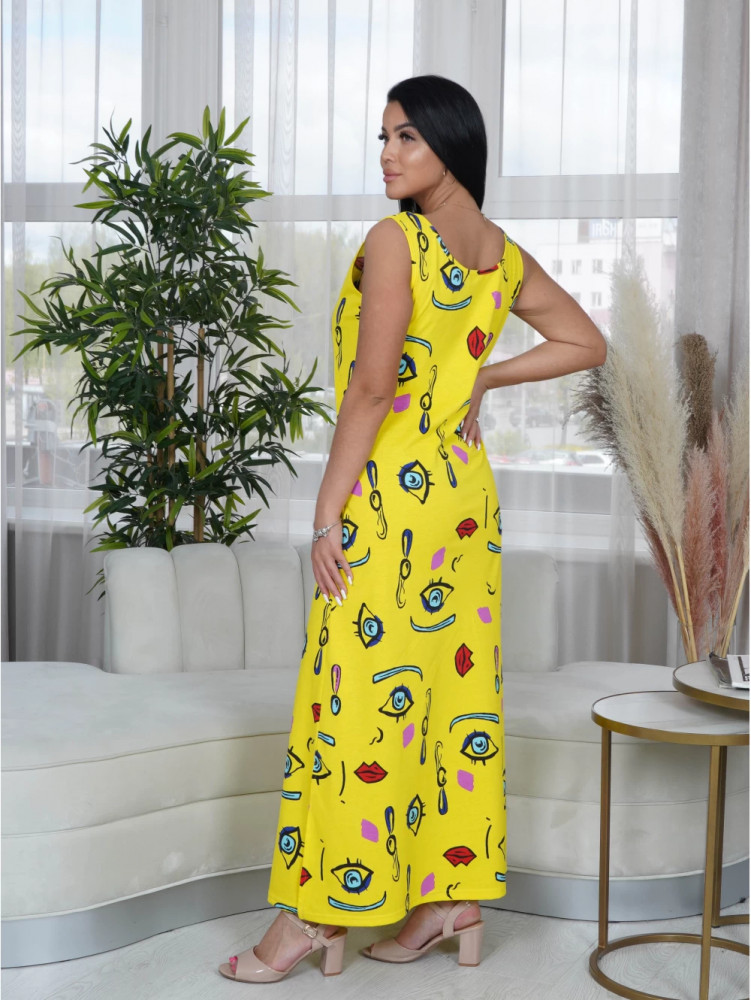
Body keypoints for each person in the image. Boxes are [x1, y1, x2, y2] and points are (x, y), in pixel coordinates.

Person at [219, 73, 606, 984]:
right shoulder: (499, 254)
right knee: (448, 697)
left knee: (351, 702)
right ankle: (447, 900)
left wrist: (325, 514)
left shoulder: (396, 241)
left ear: (449, 144)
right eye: (383, 138)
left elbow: (369, 388)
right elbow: (585, 341)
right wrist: (482, 377)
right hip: (462, 503)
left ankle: (313, 915)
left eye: (406, 138)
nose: (387, 156)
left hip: (389, 502)